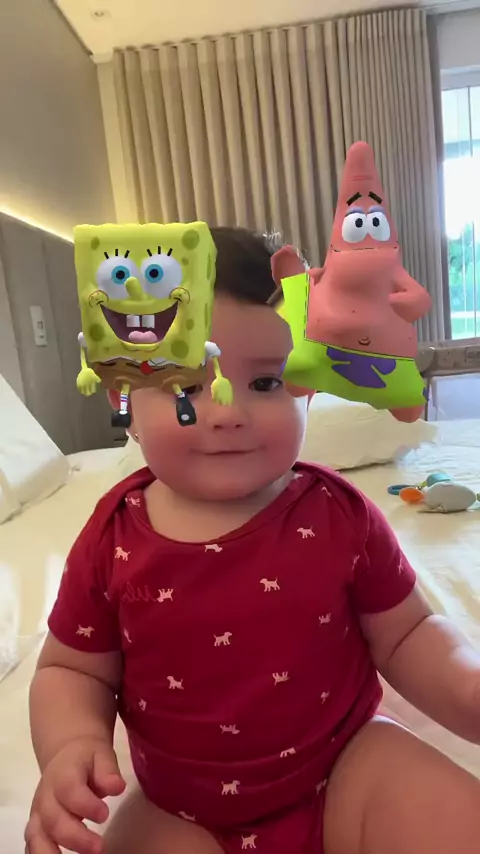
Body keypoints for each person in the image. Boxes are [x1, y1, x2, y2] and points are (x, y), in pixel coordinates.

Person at [26, 227, 480, 854]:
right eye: (187, 386)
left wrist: (466, 687)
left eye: (265, 384)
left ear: (306, 386)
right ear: (124, 395)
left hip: (347, 768)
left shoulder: (337, 514)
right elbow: (72, 668)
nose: (226, 412)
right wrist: (71, 745)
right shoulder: (112, 539)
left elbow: (407, 634)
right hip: (183, 808)